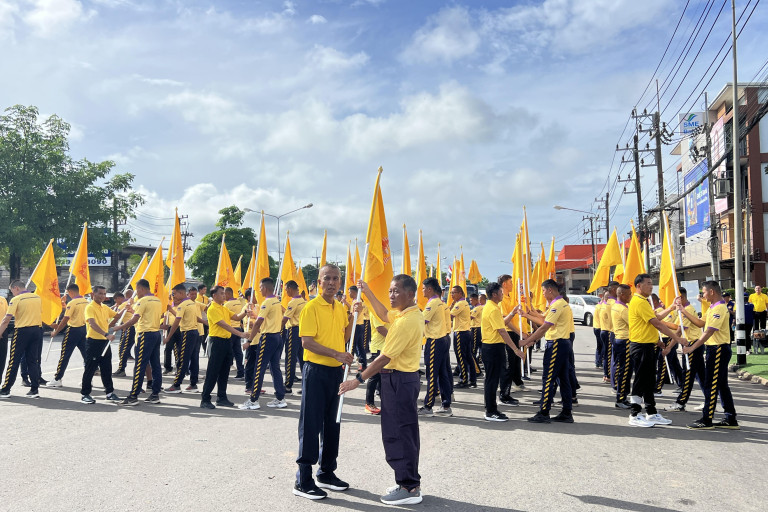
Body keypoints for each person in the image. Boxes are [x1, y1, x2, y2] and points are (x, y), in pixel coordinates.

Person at [339, 275, 425, 506]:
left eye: (396, 291)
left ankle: (409, 487)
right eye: (390, 291)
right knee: (400, 431)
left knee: (399, 433)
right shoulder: (405, 314)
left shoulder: (407, 321)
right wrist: (367, 291)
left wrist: (358, 379)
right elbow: (385, 314)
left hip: (399, 380)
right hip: (399, 380)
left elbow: (384, 357)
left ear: (410, 294)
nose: (391, 295)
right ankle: (407, 481)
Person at [294, 264, 354, 500]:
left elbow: (344, 336)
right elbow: (307, 342)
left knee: (332, 423)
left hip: (336, 372)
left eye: (336, 279)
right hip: (316, 371)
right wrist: (337, 354)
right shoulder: (311, 307)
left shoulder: (340, 307)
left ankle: (326, 472)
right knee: (311, 423)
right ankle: (303, 479)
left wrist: (352, 318)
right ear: (318, 282)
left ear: (340, 282)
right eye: (327, 278)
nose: (331, 282)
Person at [677, 281, 739, 429]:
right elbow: (700, 323)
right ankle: (730, 418)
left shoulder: (719, 308)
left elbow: (708, 331)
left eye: (704, 292)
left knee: (711, 384)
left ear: (711, 292)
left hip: (718, 349)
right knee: (721, 385)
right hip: (715, 349)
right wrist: (682, 310)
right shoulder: (712, 307)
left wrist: (692, 348)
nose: (702, 295)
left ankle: (707, 419)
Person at [626, 274, 684, 427]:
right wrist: (677, 338)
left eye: (652, 283)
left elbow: (655, 317)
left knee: (649, 381)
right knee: (640, 381)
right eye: (648, 283)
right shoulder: (639, 301)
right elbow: (657, 324)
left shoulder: (643, 301)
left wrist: (670, 308)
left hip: (648, 345)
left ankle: (651, 412)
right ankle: (634, 414)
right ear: (639, 286)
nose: (651, 286)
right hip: (641, 347)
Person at [519, 280, 575, 424]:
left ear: (550, 290)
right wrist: (527, 315)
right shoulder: (560, 303)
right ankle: (567, 412)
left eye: (543, 291)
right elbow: (544, 319)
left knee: (548, 378)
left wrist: (527, 340)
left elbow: (544, 327)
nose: (543, 294)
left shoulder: (557, 305)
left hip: (556, 344)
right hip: (562, 343)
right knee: (563, 379)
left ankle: (544, 412)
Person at [113, 279, 164, 406]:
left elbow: (135, 319)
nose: (136, 293)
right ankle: (155, 394)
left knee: (139, 366)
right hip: (155, 334)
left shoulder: (143, 301)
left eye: (137, 290)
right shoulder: (157, 300)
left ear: (141, 288)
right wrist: (132, 310)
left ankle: (133, 396)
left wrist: (120, 327)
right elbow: (145, 314)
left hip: (145, 335)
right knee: (156, 365)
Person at [480, 282, 526, 422]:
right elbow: (502, 331)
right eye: (500, 292)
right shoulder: (493, 309)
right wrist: (516, 349)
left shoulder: (493, 306)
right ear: (494, 294)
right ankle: (490, 411)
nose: (502, 294)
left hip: (493, 347)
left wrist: (512, 313)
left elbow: (501, 323)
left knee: (493, 380)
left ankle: (492, 409)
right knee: (492, 380)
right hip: (492, 347)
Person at [240, 278, 287, 410]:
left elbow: (258, 323)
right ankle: (280, 398)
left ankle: (253, 400)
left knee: (259, 368)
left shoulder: (267, 303)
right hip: (277, 336)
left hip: (268, 338)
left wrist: (249, 341)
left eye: (260, 288)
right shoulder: (276, 301)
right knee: (275, 368)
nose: (259, 291)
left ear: (265, 288)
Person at [200, 286, 248, 409]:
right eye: (221, 293)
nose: (224, 295)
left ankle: (221, 397)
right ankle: (205, 399)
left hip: (226, 342)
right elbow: (224, 325)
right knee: (213, 372)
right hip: (216, 342)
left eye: (224, 293)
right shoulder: (212, 309)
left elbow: (237, 317)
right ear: (214, 295)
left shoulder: (224, 308)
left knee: (224, 372)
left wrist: (246, 311)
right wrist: (241, 334)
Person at [0, 280, 44, 399]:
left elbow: (6, 320)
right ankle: (34, 389)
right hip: (36, 330)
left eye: (12, 291)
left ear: (16, 288)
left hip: (22, 331)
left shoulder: (16, 299)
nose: (12, 293)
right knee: (32, 361)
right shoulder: (37, 297)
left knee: (14, 361)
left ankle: (6, 390)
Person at [665, 288, 705, 413]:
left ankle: (680, 402)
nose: (673, 301)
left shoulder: (687, 310)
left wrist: (669, 347)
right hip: (694, 345)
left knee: (687, 375)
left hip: (691, 345)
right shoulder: (685, 309)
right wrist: (660, 323)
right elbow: (677, 326)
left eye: (675, 298)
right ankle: (709, 400)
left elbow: (678, 331)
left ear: (681, 297)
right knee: (701, 376)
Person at [417, 277, 453, 417]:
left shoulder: (432, 303)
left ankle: (428, 406)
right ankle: (446, 405)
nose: (422, 291)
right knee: (442, 374)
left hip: (434, 341)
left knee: (431, 375)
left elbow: (422, 321)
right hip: (442, 339)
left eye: (423, 288)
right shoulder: (441, 303)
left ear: (430, 289)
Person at [80, 285, 122, 404]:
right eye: (100, 293)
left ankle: (109, 393)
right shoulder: (90, 307)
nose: (103, 296)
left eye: (104, 294)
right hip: (94, 342)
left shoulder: (105, 307)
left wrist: (126, 308)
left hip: (105, 342)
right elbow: (92, 324)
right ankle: (85, 394)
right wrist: (106, 334)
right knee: (90, 369)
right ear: (93, 294)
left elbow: (117, 316)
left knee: (107, 368)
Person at [163, 284, 203, 393]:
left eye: (174, 294)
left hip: (187, 333)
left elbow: (176, 322)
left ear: (181, 293)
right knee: (194, 359)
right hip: (195, 332)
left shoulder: (183, 305)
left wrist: (168, 337)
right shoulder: (191, 303)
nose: (173, 296)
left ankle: (176, 385)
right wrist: (205, 322)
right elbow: (193, 317)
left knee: (182, 359)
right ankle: (193, 384)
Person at [47, 284, 89, 387]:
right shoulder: (86, 301)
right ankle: (88, 379)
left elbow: (66, 319)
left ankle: (57, 378)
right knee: (86, 356)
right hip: (84, 330)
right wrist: (64, 304)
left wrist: (56, 331)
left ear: (70, 292)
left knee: (65, 356)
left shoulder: (73, 302)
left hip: (73, 331)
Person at [498, 274, 525, 402]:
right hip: (507, 332)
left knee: (514, 362)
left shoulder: (510, 297)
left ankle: (515, 384)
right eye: (510, 282)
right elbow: (506, 321)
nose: (512, 284)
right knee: (508, 364)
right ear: (504, 284)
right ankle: (504, 393)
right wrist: (519, 332)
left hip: (513, 333)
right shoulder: (501, 299)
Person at [282, 280, 306, 394]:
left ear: (290, 289)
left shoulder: (293, 302)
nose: (286, 292)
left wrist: (277, 330)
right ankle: (305, 385)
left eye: (286, 290)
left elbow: (285, 319)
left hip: (293, 331)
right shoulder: (303, 301)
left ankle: (288, 385)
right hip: (302, 331)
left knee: (290, 359)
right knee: (302, 359)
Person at [611, 284, 632, 409]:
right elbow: (634, 324)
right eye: (629, 294)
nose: (631, 296)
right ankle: (621, 398)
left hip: (619, 340)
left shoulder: (616, 306)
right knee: (625, 371)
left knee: (624, 370)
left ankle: (622, 397)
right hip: (625, 341)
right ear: (622, 295)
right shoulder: (623, 309)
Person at [450, 286, 475, 388]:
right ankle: (472, 380)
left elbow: (449, 315)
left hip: (461, 333)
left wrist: (450, 307)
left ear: (460, 293)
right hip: (466, 332)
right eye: (451, 293)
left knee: (461, 358)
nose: (452, 295)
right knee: (468, 357)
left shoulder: (460, 304)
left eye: (454, 293)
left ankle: (463, 380)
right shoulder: (464, 303)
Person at [364, 308, 388, 415]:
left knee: (383, 377)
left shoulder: (388, 309)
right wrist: (395, 338)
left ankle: (386, 404)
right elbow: (380, 329)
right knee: (374, 376)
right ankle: (369, 404)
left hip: (387, 347)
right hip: (379, 348)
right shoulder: (375, 310)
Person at [186, 286, 207, 392]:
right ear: (187, 294)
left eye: (195, 294)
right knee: (187, 357)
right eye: (192, 294)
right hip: (188, 331)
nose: (193, 296)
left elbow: (207, 308)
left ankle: (193, 381)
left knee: (194, 357)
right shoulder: (185, 304)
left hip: (198, 332)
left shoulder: (197, 304)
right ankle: (188, 377)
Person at [225, 287, 247, 380]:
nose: (223, 296)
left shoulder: (226, 305)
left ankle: (225, 372)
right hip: (238, 328)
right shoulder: (239, 302)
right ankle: (241, 372)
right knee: (238, 352)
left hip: (230, 330)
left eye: (224, 294)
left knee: (228, 352)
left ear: (228, 294)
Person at [113, 289, 136, 377]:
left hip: (129, 327)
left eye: (116, 300)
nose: (116, 302)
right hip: (135, 327)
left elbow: (117, 316)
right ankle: (146, 369)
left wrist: (111, 325)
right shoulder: (134, 303)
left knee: (123, 348)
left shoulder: (124, 305)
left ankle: (121, 369)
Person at [346, 286, 368, 371]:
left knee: (351, 346)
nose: (349, 294)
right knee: (360, 346)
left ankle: (347, 366)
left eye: (350, 292)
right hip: (360, 325)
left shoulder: (357, 302)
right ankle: (363, 364)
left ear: (354, 292)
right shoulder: (357, 301)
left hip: (356, 326)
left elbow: (354, 315)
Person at [469, 293, 483, 369]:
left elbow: (470, 317)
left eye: (471, 300)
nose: (470, 302)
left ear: (475, 300)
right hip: (480, 329)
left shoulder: (477, 308)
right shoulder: (480, 307)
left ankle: (476, 368)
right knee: (481, 348)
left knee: (473, 350)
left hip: (475, 329)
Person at [592, 292, 603, 369]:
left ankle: (598, 361)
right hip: (599, 327)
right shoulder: (601, 307)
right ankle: (599, 362)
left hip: (596, 327)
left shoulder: (598, 306)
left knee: (599, 345)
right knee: (602, 346)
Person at [0, 292, 9, 383]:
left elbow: (7, 316)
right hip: (2, 331)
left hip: (2, 332)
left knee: (2, 359)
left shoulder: (3, 300)